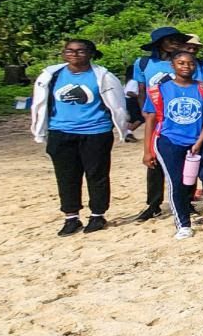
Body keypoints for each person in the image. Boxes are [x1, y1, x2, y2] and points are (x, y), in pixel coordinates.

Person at [31, 39, 131, 236]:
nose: (74, 54)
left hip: (95, 132)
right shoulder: (51, 76)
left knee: (97, 175)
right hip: (60, 131)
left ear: (90, 53)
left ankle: (97, 215)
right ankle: (71, 217)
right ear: (63, 53)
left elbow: (118, 105)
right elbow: (39, 103)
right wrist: (39, 130)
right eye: (69, 51)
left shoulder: (103, 77)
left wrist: (123, 128)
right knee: (66, 176)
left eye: (80, 51)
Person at [142, 50, 203, 240]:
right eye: (181, 63)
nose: (186, 66)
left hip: (202, 139)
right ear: (173, 66)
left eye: (190, 63)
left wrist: (199, 141)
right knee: (177, 182)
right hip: (169, 140)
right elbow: (151, 119)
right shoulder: (159, 90)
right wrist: (147, 150)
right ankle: (183, 224)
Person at [129, 26, 192, 222]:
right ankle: (153, 204)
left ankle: (187, 201)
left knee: (187, 162)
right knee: (154, 162)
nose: (174, 42)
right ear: (159, 43)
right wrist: (146, 112)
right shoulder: (144, 63)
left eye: (177, 39)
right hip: (157, 119)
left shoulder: (191, 62)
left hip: (184, 118)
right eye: (169, 39)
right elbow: (141, 90)